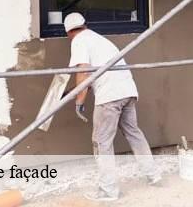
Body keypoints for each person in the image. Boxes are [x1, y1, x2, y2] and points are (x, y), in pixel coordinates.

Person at [64, 12, 161, 201]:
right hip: (128, 91)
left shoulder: (79, 41)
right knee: (134, 133)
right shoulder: (99, 39)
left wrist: (79, 101)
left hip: (109, 97)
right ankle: (153, 174)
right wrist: (73, 92)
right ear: (85, 24)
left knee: (101, 142)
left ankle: (108, 190)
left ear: (68, 32)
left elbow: (83, 71)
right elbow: (94, 75)